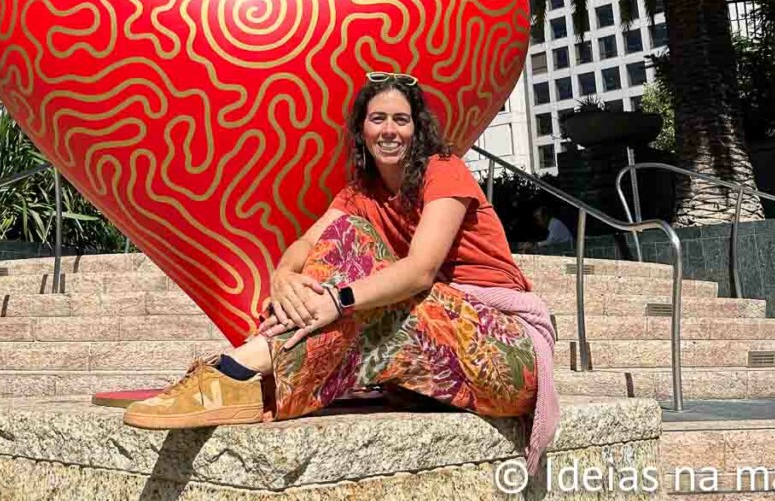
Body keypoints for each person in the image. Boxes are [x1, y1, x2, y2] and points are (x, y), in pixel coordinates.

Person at [124, 72, 560, 473]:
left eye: (401, 120)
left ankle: (238, 370)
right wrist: (283, 277)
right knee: (343, 238)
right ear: (362, 129)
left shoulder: (442, 170)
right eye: (378, 119)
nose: (389, 130)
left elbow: (420, 271)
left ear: (417, 128)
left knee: (362, 267)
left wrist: (338, 299)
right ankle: (244, 378)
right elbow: (306, 245)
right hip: (439, 344)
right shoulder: (359, 193)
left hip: (504, 349)